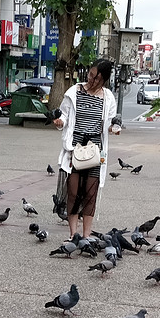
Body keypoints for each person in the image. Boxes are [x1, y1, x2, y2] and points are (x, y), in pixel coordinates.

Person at [52, 59, 120, 239]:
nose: (90, 79)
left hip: (95, 151)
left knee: (90, 193)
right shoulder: (74, 92)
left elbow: (110, 122)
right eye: (90, 74)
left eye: (95, 77)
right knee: (73, 192)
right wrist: (60, 122)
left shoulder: (108, 97)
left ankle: (86, 235)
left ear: (103, 79)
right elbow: (64, 115)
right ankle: (73, 234)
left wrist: (114, 128)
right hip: (75, 148)